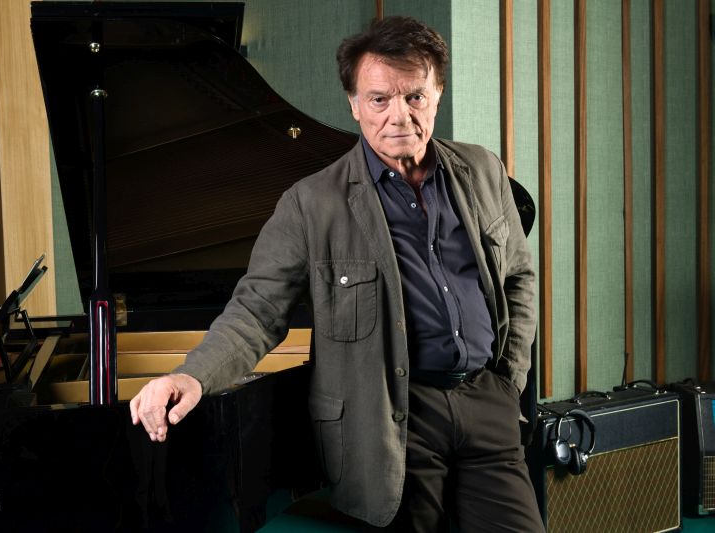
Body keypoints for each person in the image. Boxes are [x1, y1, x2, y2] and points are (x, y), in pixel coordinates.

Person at [130, 16, 544, 532]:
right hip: (390, 422)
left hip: (487, 403)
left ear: (438, 93)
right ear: (353, 104)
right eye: (379, 99)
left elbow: (518, 277)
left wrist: (509, 381)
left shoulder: (483, 170)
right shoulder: (309, 205)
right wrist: (190, 375)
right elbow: (256, 312)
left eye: (415, 96)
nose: (399, 116)